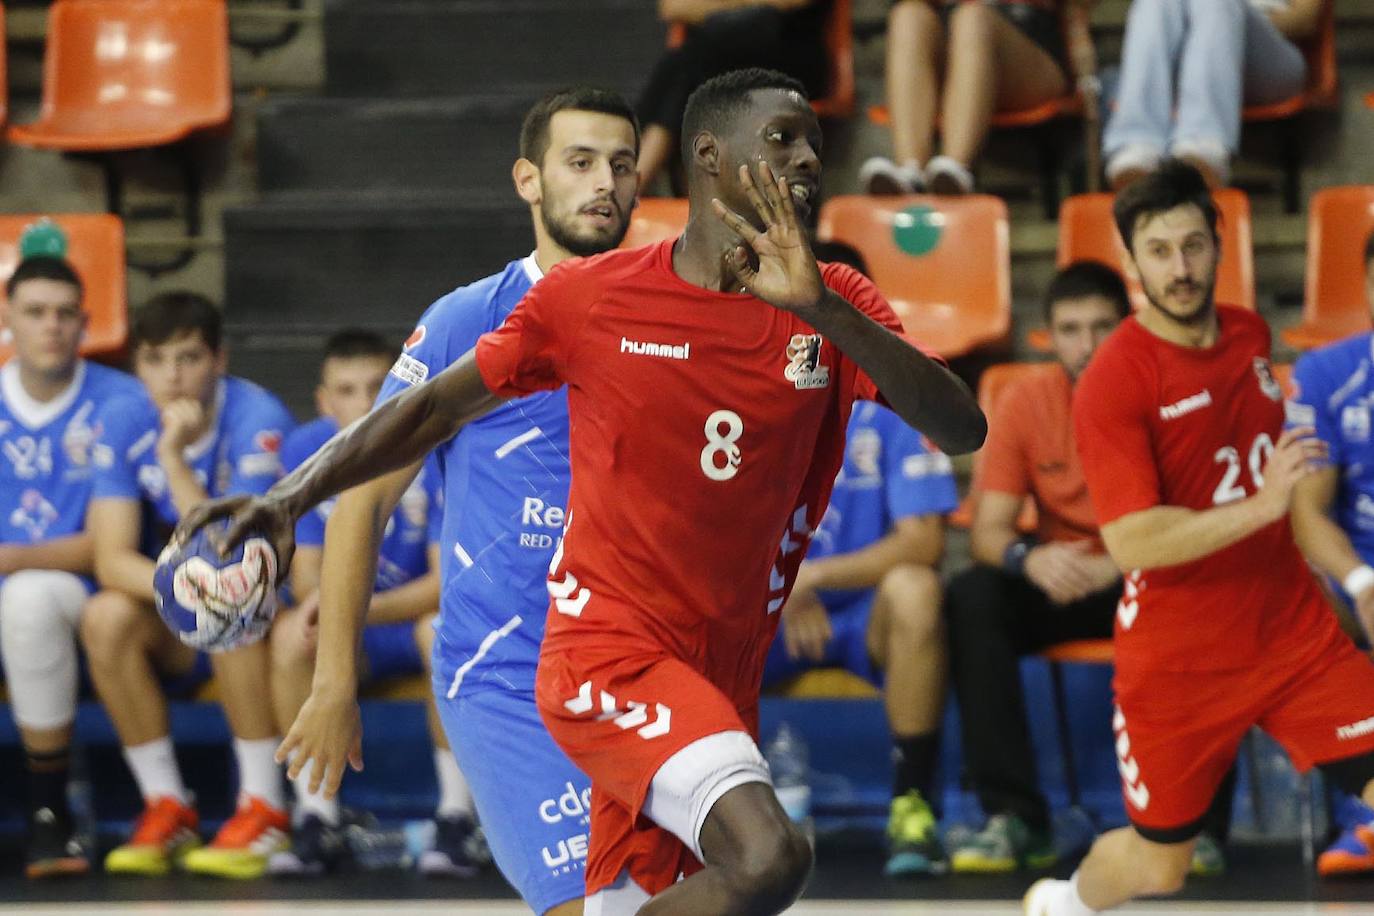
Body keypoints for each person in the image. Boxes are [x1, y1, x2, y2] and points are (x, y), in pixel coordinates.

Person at [179, 67, 985, 915]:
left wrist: (822, 309)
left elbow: (961, 425)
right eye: (579, 162)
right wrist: (289, 510)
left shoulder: (823, 302)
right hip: (556, 662)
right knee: (768, 857)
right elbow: (402, 447)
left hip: (709, 662)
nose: (810, 158)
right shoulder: (555, 304)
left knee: (651, 903)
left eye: (621, 162)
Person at [261, 87, 641, 912]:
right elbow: (361, 500)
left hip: (640, 670)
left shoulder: (668, 316)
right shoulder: (465, 320)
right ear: (528, 181)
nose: (604, 182)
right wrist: (333, 687)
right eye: (579, 162)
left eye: (621, 164)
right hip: (507, 674)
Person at [1024, 159, 1374, 914]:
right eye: (1158, 251)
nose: (1179, 269)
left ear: (1219, 244)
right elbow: (1133, 543)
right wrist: (1263, 505)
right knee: (1162, 869)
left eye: (1192, 246)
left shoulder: (1250, 335)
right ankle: (1063, 902)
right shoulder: (1115, 379)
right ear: (1131, 261)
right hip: (1179, 662)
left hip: (1291, 635)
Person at [946, 261, 1235, 878]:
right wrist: (1031, 558)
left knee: (1207, 598)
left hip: (1150, 574)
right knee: (974, 596)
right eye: (1070, 330)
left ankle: (1194, 824)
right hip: (1061, 577)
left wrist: (1124, 563)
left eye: (1101, 327)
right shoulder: (1028, 400)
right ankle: (1015, 817)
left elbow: (1201, 527)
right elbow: (989, 534)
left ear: (1128, 329)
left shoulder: (1176, 397)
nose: (1086, 345)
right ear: (1049, 336)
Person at [82, 292, 296, 878]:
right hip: (181, 614)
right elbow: (111, 558)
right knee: (105, 615)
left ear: (219, 359)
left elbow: (230, 555)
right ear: (137, 367)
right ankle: (166, 804)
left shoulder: (259, 419)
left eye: (189, 358)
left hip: (270, 612)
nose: (172, 376)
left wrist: (174, 460)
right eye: (155, 359)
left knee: (232, 601)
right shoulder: (124, 417)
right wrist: (186, 587)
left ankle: (265, 808)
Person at [265, 329, 480, 877]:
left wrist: (353, 608)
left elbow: (443, 581)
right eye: (348, 390)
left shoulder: (437, 444)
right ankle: (317, 819)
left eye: (376, 388)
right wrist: (336, 611)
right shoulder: (305, 448)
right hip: (357, 626)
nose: (365, 404)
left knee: (441, 627)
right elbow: (307, 578)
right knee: (291, 633)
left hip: (411, 620)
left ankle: (458, 818)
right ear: (323, 401)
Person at [761, 399, 958, 876]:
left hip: (862, 614)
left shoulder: (900, 403)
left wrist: (811, 576)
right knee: (684, 607)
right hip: (764, 608)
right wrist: (779, 583)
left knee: (917, 590)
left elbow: (924, 542)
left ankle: (912, 805)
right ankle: (704, 814)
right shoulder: (745, 397)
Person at [0, 255, 144, 877]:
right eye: (35, 313)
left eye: (65, 314)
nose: (51, 327)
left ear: (87, 323)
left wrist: (13, 557)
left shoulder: (124, 401)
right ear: (9, 320)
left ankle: (48, 816)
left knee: (30, 597)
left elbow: (117, 546)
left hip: (91, 592)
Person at [1287, 232, 1374, 877]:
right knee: (1292, 597)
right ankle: (1363, 811)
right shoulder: (1325, 374)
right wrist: (1363, 582)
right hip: (1355, 577)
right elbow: (1307, 513)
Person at [860, 0, 1097, 196]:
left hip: (1032, 48)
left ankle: (954, 170)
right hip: (951, 43)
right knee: (907, 16)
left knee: (973, 19)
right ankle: (910, 172)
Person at [1102, 0, 1324, 190]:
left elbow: (1305, 19)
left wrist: (1229, 22)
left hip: (1270, 60)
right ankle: (1138, 143)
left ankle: (1202, 142)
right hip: (1187, 53)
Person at [637, 0, 830, 192]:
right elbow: (674, 7)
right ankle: (642, 180)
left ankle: (636, 179)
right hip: (715, 61)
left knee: (686, 66)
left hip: (789, 59)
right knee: (686, 67)